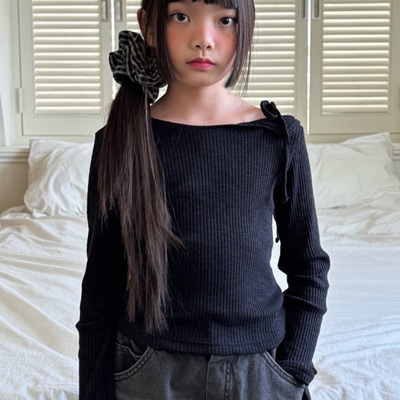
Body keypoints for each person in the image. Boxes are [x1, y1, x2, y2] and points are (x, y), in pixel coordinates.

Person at [77, 0, 330, 398]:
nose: (204, 40)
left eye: (225, 20)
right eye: (181, 17)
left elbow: (308, 265)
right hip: (148, 369)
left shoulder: (278, 138)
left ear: (245, 27)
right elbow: (101, 283)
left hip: (259, 368)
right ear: (149, 26)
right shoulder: (119, 140)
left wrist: (294, 367)